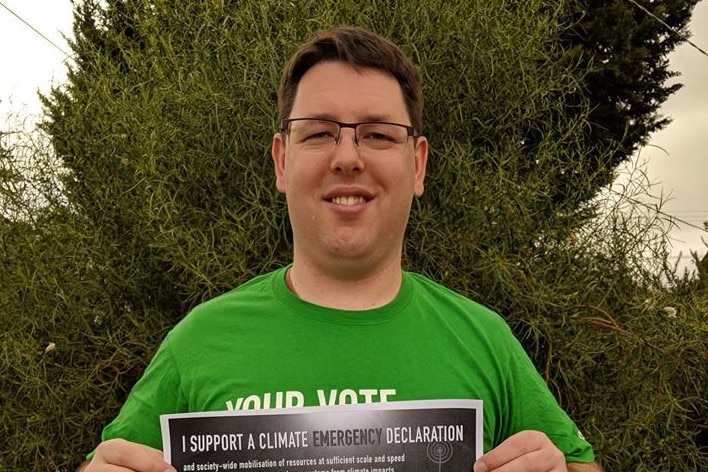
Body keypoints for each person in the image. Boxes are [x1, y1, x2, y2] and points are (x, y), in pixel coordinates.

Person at [79, 26, 604, 472]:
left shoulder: (486, 340)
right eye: (319, 133)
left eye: (377, 134)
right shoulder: (197, 341)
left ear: (417, 164)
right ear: (282, 162)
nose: (347, 157)